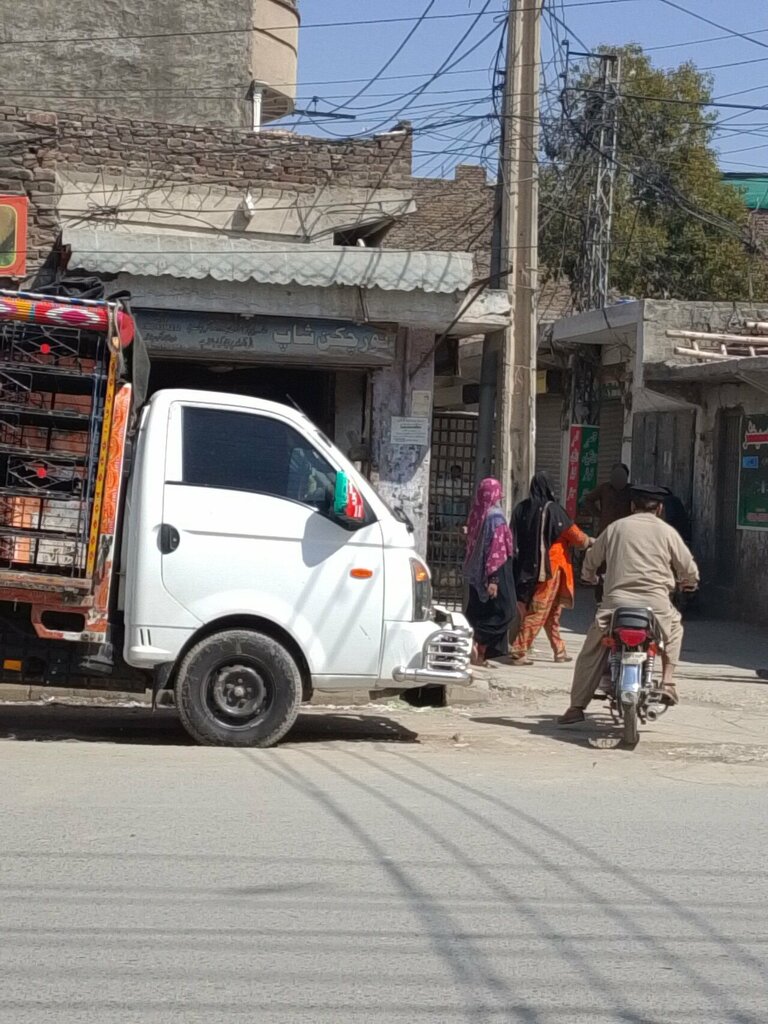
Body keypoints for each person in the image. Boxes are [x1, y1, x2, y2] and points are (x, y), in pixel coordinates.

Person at [558, 484, 700, 726]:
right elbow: (688, 567)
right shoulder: (667, 532)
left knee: (591, 651)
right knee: (675, 628)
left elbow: (591, 560)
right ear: (660, 509)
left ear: (633, 507)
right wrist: (689, 582)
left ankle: (576, 707)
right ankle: (667, 683)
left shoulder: (615, 528)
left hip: (616, 605)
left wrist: (589, 576)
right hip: (656, 606)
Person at [510, 472, 593, 665]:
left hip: (525, 567)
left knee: (552, 611)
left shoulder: (521, 508)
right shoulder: (553, 510)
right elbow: (576, 537)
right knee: (540, 609)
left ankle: (559, 650)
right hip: (550, 568)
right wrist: (589, 542)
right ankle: (519, 649)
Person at [463, 478, 517, 665]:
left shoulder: (476, 514)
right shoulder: (496, 517)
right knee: (506, 611)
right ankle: (477, 641)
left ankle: (480, 655)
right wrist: (493, 578)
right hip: (496, 569)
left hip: (475, 571)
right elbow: (496, 548)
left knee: (480, 611)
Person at [581, 462, 632, 535]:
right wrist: (599, 514)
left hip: (624, 527)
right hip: (606, 526)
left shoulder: (631, 490)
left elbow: (640, 503)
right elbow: (588, 500)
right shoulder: (604, 488)